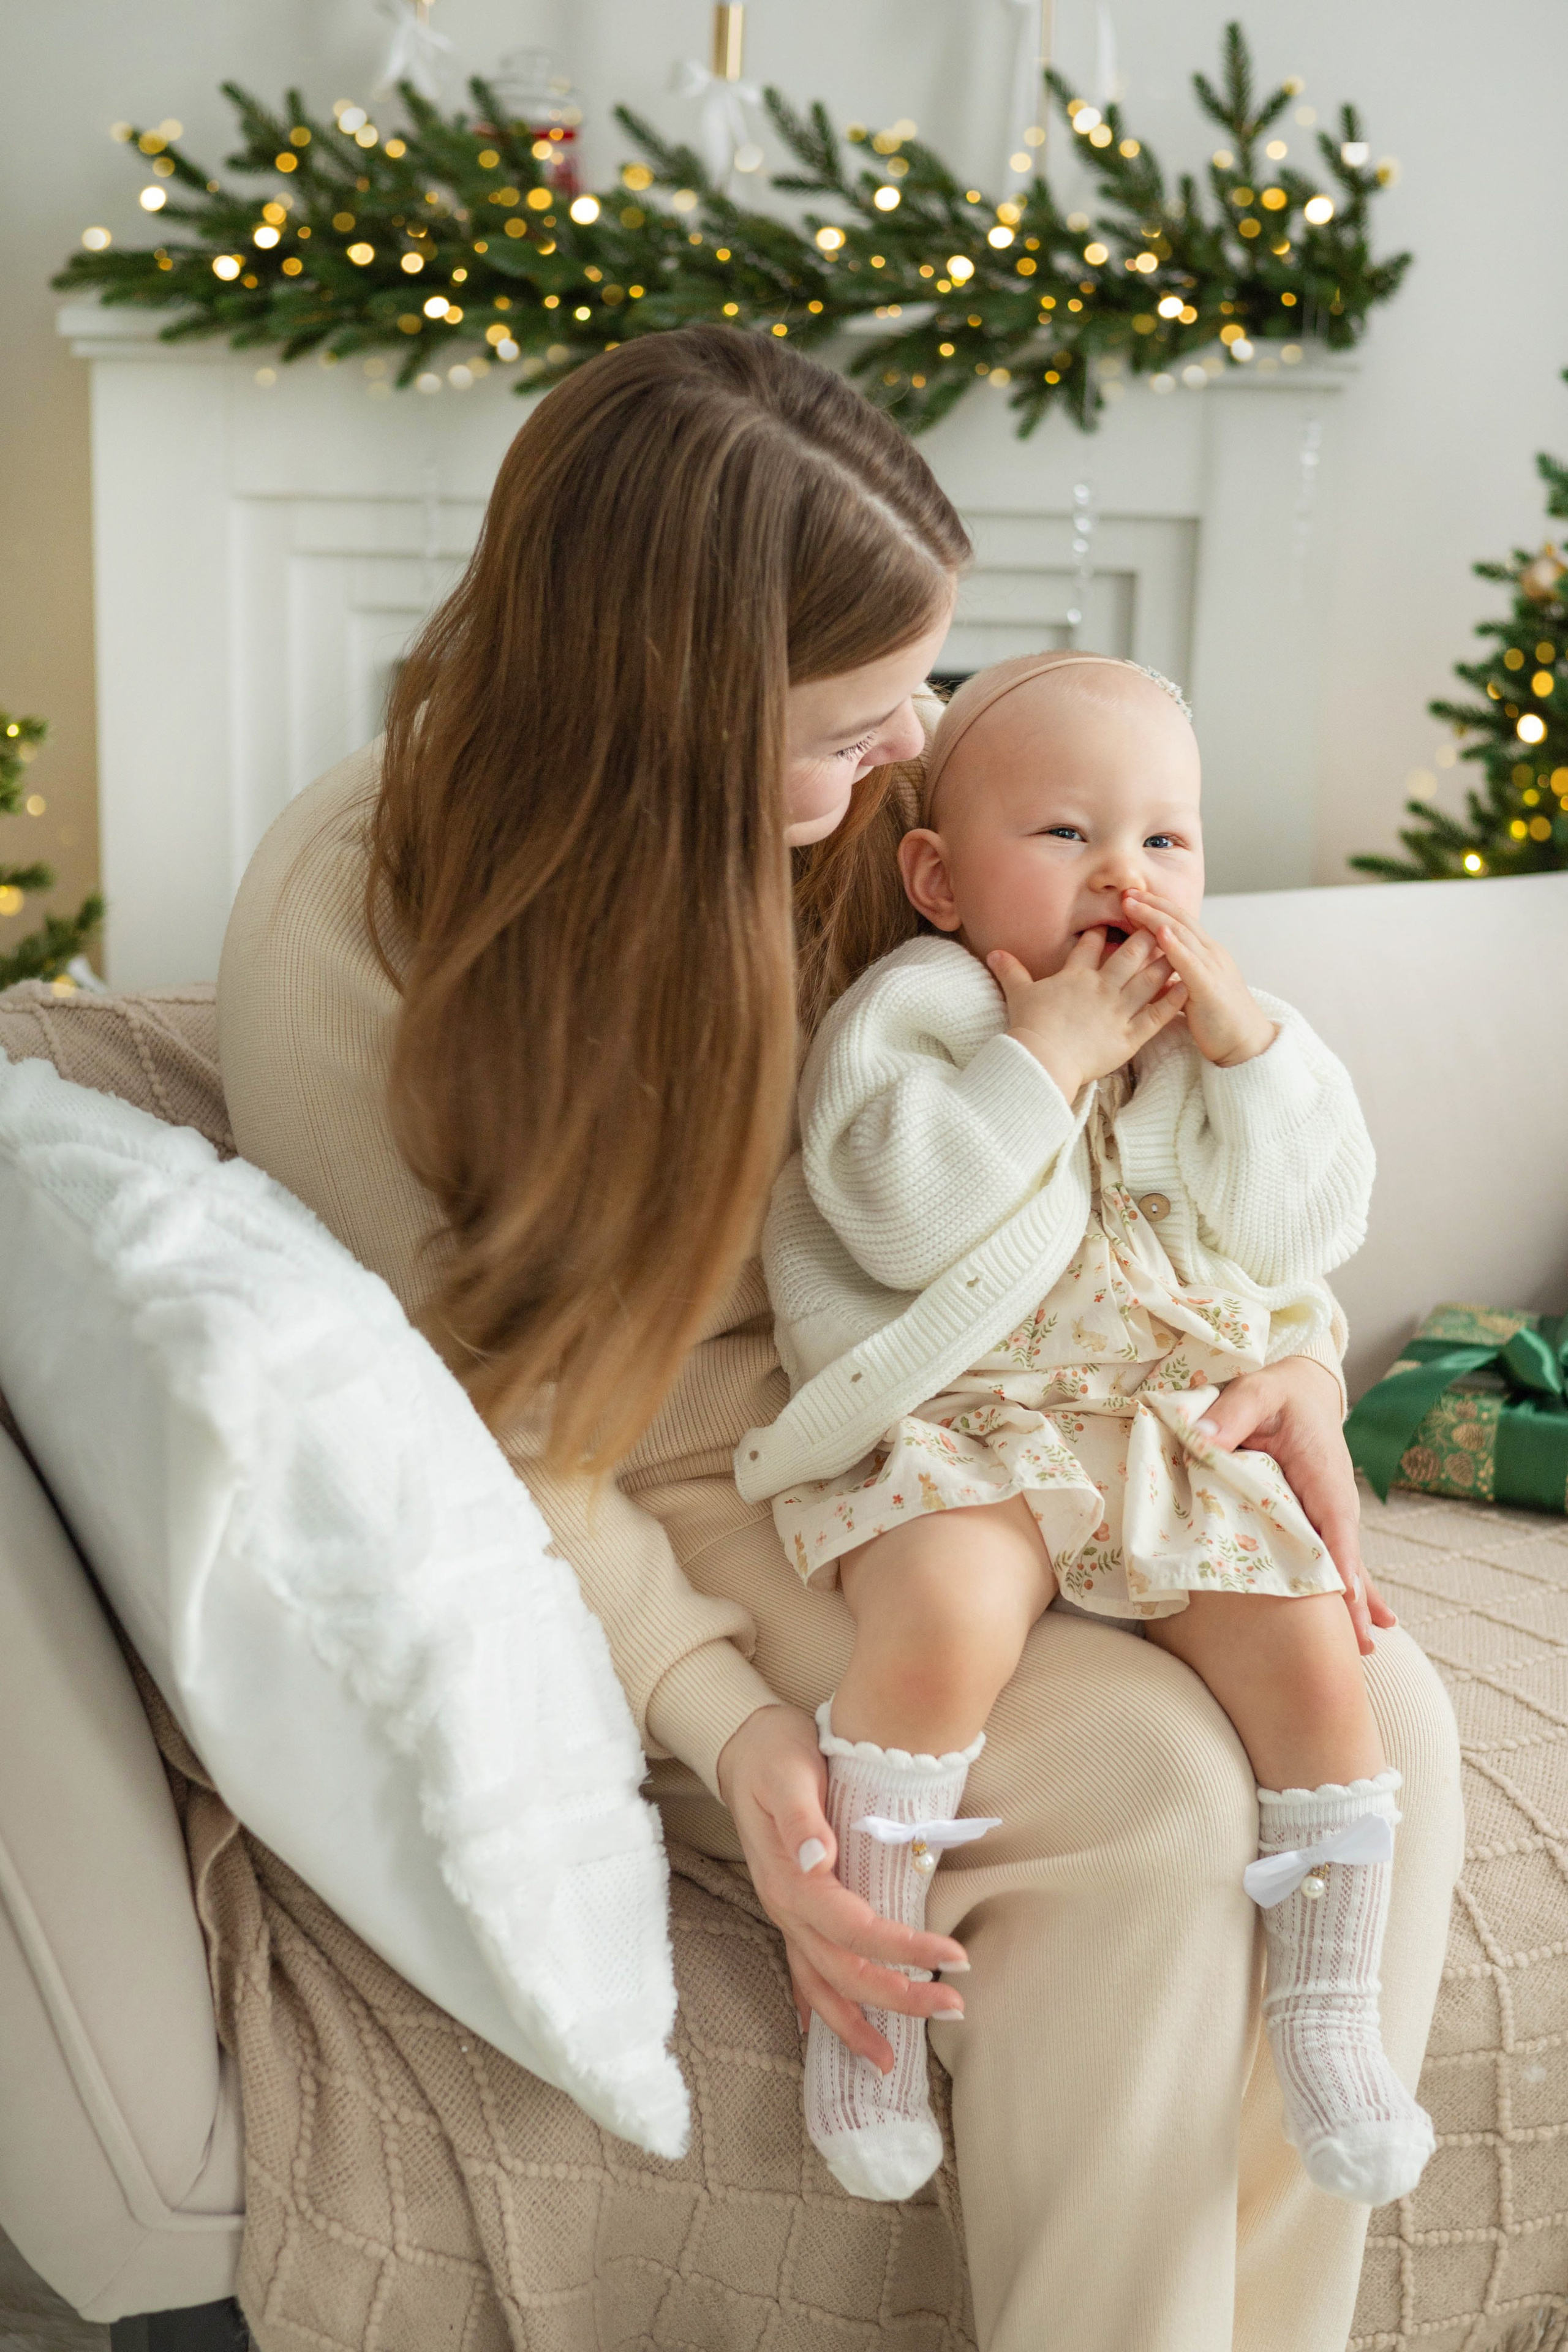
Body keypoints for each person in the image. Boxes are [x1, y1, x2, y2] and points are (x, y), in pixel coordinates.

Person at [217, 325, 1462, 2352]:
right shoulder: (363, 925)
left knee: (1385, 1735)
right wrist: (729, 1722)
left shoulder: (868, 812)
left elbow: (1142, 1112)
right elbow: (488, 1428)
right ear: (670, 718)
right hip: (680, 1476)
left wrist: (1298, 1354)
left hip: (998, 1404)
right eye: (855, 720)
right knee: (1143, 1805)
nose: (919, 752)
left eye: (923, 691)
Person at [742, 649, 1433, 2212]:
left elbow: (1298, 1233)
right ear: (934, 876)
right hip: (968, 1415)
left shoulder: (1218, 1033)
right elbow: (896, 1214)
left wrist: (1251, 1049)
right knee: (933, 1626)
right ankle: (870, 2020)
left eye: (1165, 842)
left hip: (1160, 1427)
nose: (1123, 876)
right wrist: (1045, 1051)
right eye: (1062, 837)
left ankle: (1325, 2011)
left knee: (1320, 1649)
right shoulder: (919, 1012)